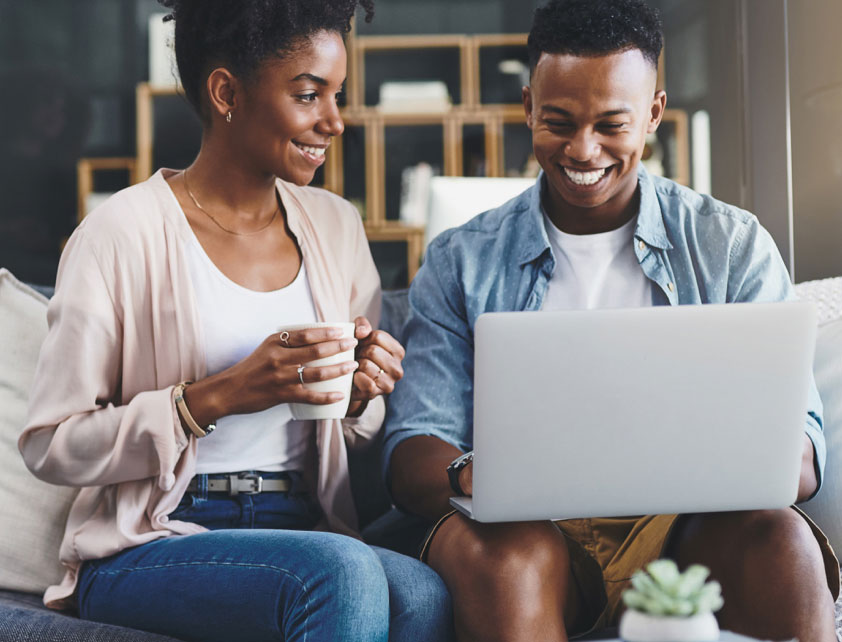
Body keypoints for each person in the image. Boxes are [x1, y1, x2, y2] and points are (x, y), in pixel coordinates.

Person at [382, 1, 839, 641]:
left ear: (653, 112)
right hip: (526, 536)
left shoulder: (730, 245)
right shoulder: (461, 260)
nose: (582, 150)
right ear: (528, 107)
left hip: (685, 529)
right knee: (509, 555)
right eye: (558, 122)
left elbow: (802, 458)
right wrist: (475, 473)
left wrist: (723, 457)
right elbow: (412, 455)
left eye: (610, 125)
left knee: (785, 541)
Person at [18, 1, 453, 641]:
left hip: (302, 523)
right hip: (158, 536)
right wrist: (218, 395)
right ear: (226, 92)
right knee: (342, 574)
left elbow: (356, 437)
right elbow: (49, 442)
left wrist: (360, 396)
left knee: (422, 594)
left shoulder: (335, 227)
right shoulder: (120, 234)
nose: (335, 121)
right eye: (309, 96)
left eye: (338, 95)